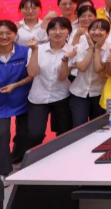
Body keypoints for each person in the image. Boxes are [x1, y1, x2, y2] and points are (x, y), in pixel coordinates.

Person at [27, 17, 75, 149]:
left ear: (68, 31)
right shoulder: (37, 48)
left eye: (62, 28)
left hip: (62, 97)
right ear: (48, 31)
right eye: (53, 29)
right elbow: (32, 73)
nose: (57, 32)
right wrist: (34, 51)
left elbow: (62, 77)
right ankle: (32, 158)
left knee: (64, 134)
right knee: (35, 135)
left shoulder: (72, 51)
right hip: (38, 98)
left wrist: (65, 59)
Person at [0, 20, 34, 183]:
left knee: (25, 133)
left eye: (8, 33)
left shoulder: (25, 52)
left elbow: (32, 74)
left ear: (15, 35)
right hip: (1, 102)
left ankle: (17, 159)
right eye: (0, 34)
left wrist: (16, 85)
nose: (4, 36)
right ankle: (5, 171)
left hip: (22, 98)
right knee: (2, 134)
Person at [68, 18, 110, 127]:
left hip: (99, 93)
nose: (97, 32)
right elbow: (82, 68)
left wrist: (97, 49)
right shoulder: (80, 47)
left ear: (107, 33)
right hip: (79, 93)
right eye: (93, 29)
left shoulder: (109, 49)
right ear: (88, 31)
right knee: (79, 126)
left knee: (97, 127)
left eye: (101, 30)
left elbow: (98, 69)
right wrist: (91, 48)